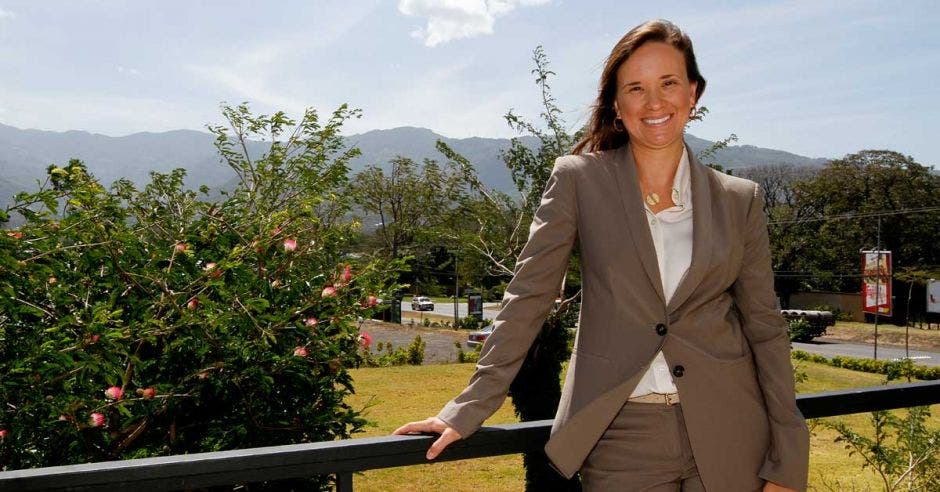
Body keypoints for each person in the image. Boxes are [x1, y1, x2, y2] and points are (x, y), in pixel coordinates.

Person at [395, 19, 809, 491]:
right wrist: (468, 407)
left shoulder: (740, 198)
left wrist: (788, 458)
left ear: (693, 93)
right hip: (620, 435)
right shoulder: (578, 180)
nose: (654, 102)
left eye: (669, 83)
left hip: (734, 430)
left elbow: (765, 327)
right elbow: (529, 297)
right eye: (636, 88)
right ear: (617, 103)